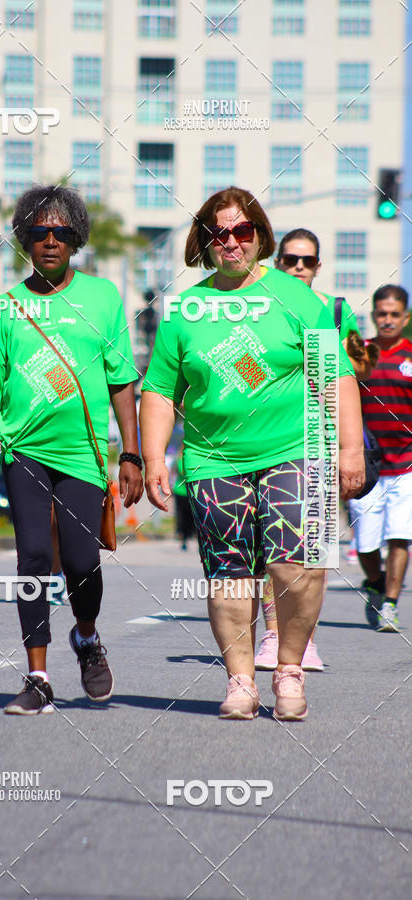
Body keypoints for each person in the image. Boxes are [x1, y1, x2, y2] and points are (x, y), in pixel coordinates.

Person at [140, 186, 365, 721]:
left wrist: (350, 450)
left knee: (297, 566)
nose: (232, 242)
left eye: (242, 231)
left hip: (297, 447)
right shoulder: (185, 309)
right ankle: (240, 680)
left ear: (259, 236)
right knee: (230, 573)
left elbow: (335, 375)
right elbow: (159, 390)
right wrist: (153, 458)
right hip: (215, 458)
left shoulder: (296, 298)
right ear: (205, 242)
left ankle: (288, 667)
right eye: (220, 233)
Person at [0, 185, 143, 715]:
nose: (49, 241)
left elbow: (121, 383)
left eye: (61, 233)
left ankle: (86, 638)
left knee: (84, 562)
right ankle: (38, 676)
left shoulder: (104, 298)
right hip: (23, 452)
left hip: (83, 455)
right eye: (39, 232)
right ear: (24, 238)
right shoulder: (6, 309)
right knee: (35, 558)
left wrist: (130, 454)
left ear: (76, 240)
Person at [255, 228, 377, 672]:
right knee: (276, 551)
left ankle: (304, 640)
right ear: (278, 262)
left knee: (316, 551)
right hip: (275, 441)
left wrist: (354, 356)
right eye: (290, 259)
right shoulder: (262, 305)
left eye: (307, 261)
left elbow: (356, 372)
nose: (298, 267)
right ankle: (273, 636)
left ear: (318, 266)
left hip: (321, 441)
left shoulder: (334, 310)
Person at [349, 284, 412, 632]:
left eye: (394, 314)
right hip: (367, 463)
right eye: (382, 313)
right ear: (374, 315)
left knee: (400, 534)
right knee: (366, 540)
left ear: (405, 317)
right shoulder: (362, 354)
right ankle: (376, 581)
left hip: (407, 463)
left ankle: (390, 603)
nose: (387, 320)